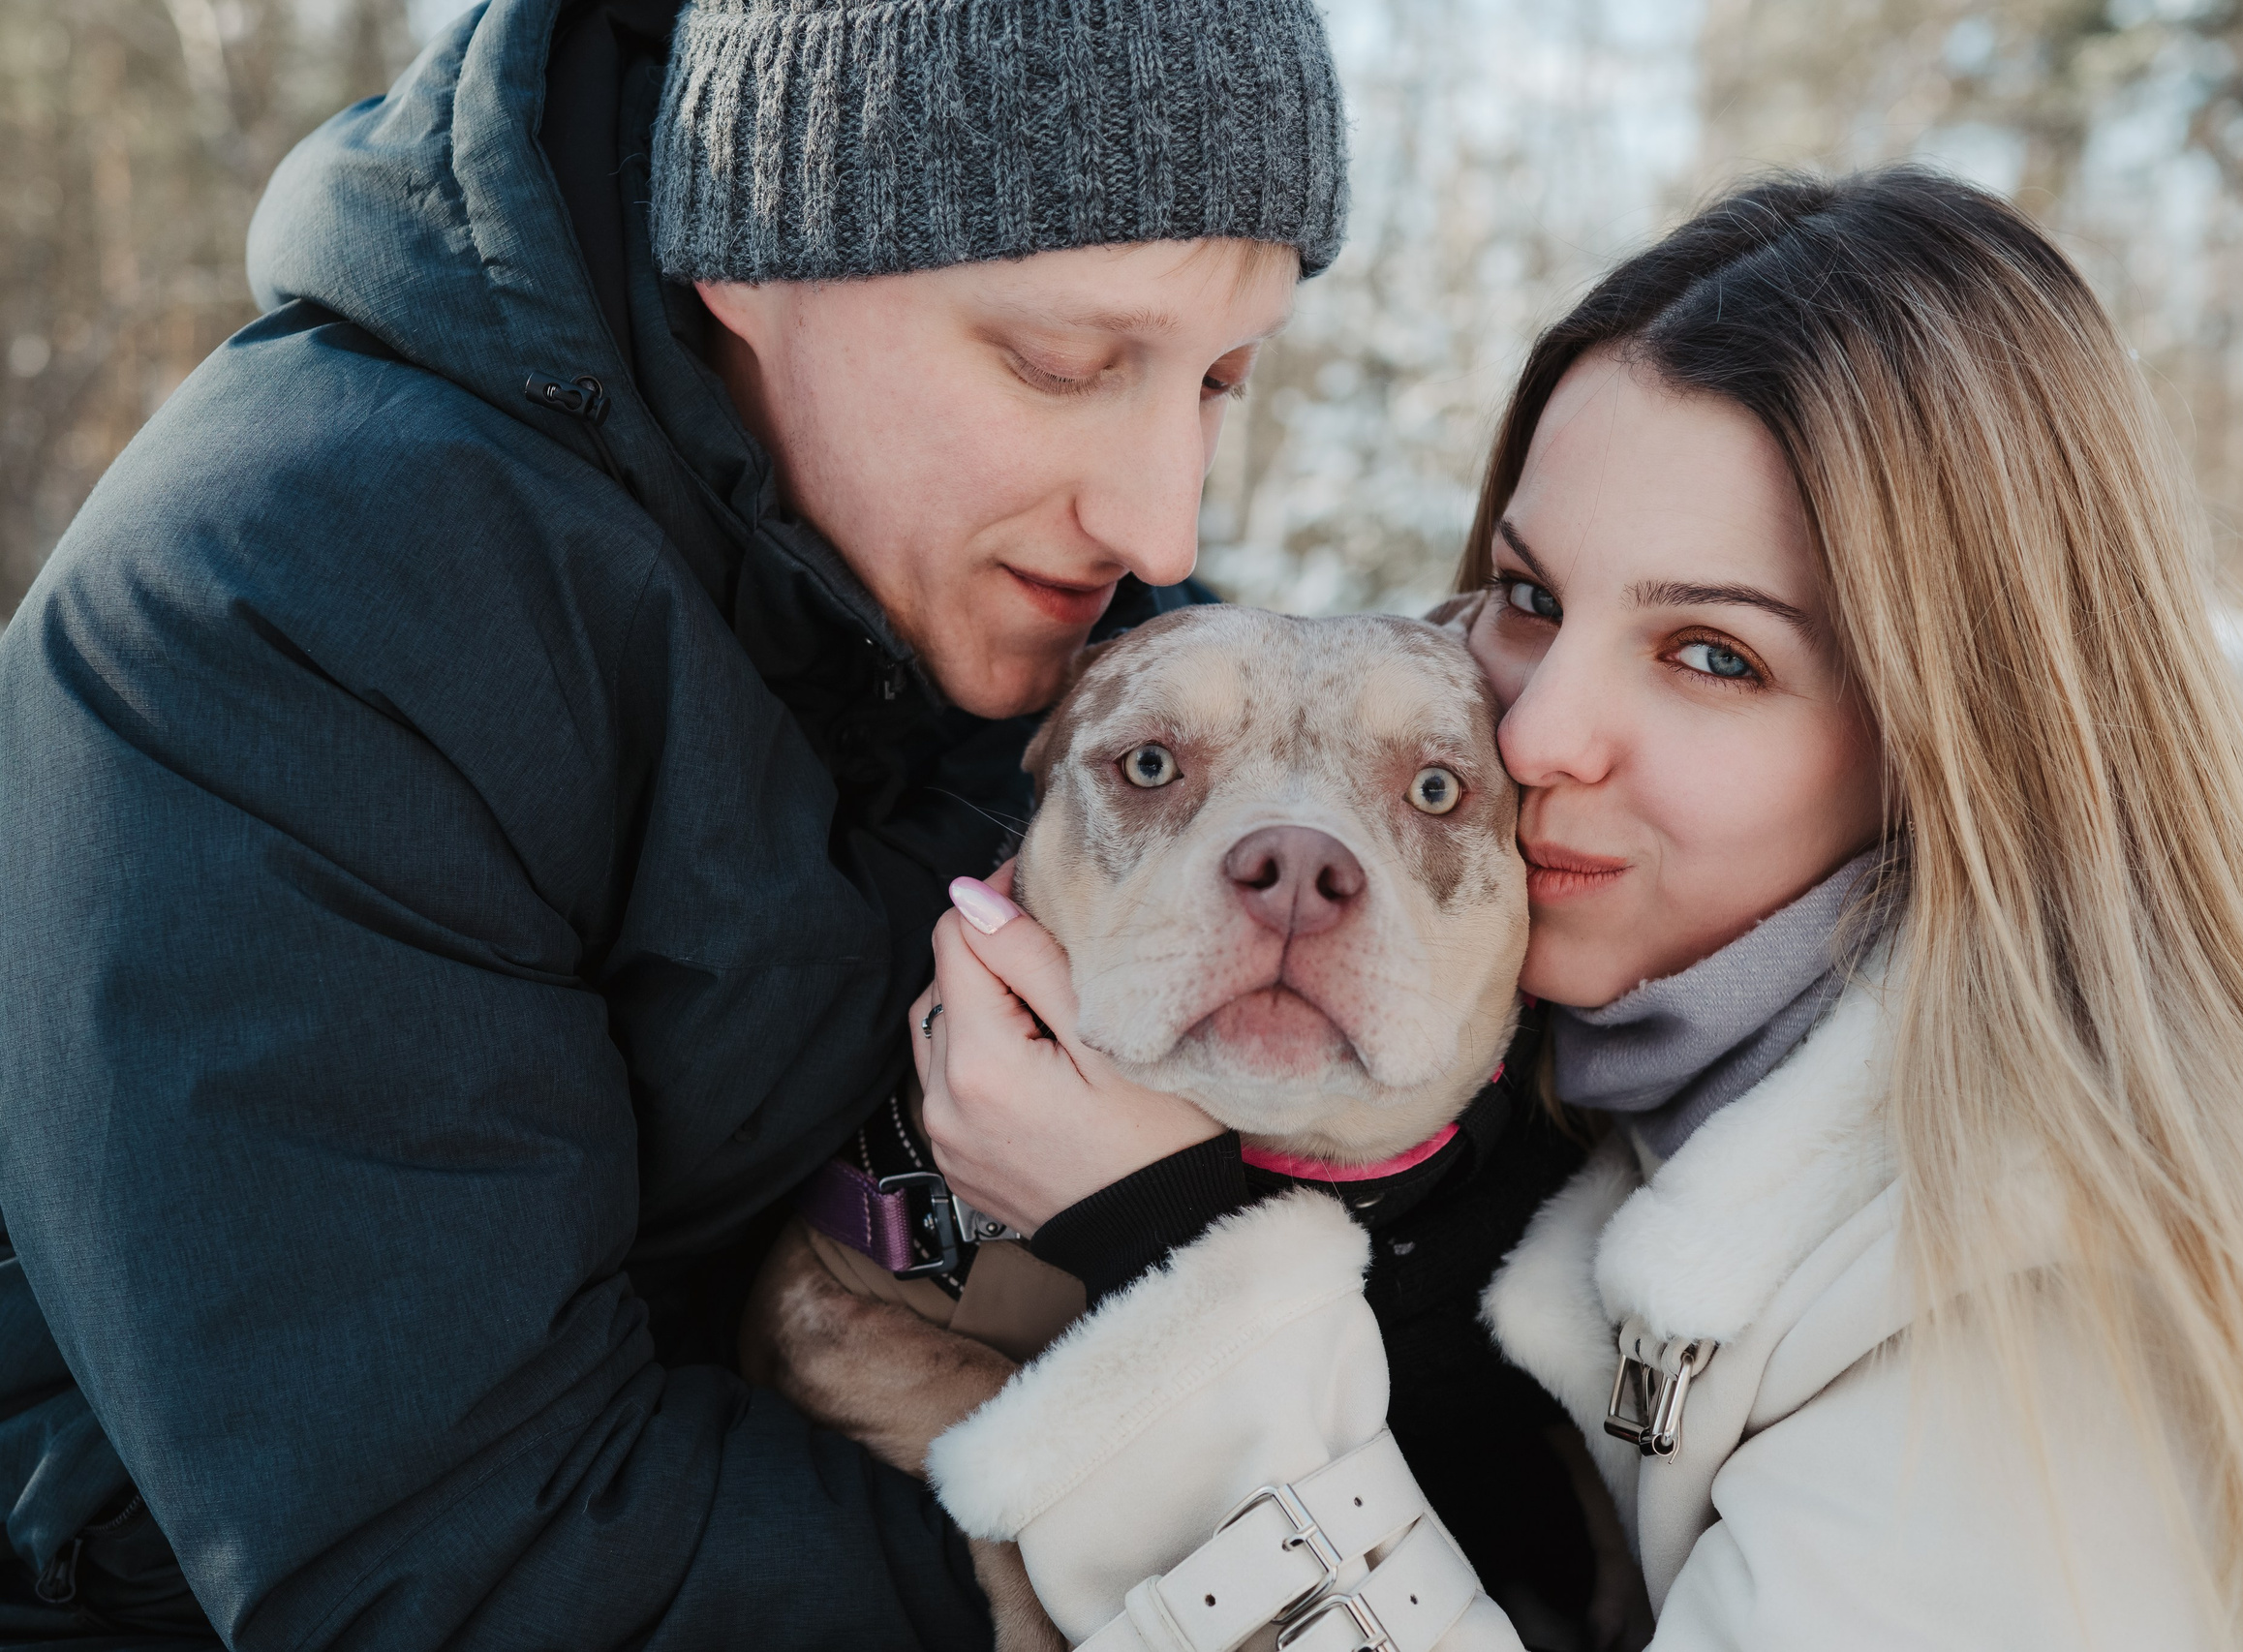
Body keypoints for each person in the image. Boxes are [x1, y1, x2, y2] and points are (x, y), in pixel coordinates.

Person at [906, 168, 2243, 1652]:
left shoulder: (2055, 1306)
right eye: (1531, 599)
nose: (1531, 736)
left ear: (1957, 738)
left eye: (1714, 656)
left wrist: (1175, 1273)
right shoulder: (1652, 1093)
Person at [0, 0, 1346, 1643]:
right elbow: (470, 1554)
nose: (1161, 515)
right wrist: (1156, 1559)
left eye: (1222, 378)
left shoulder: (1080, 625)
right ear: (752, 248)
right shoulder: (285, 616)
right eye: (1065, 363)